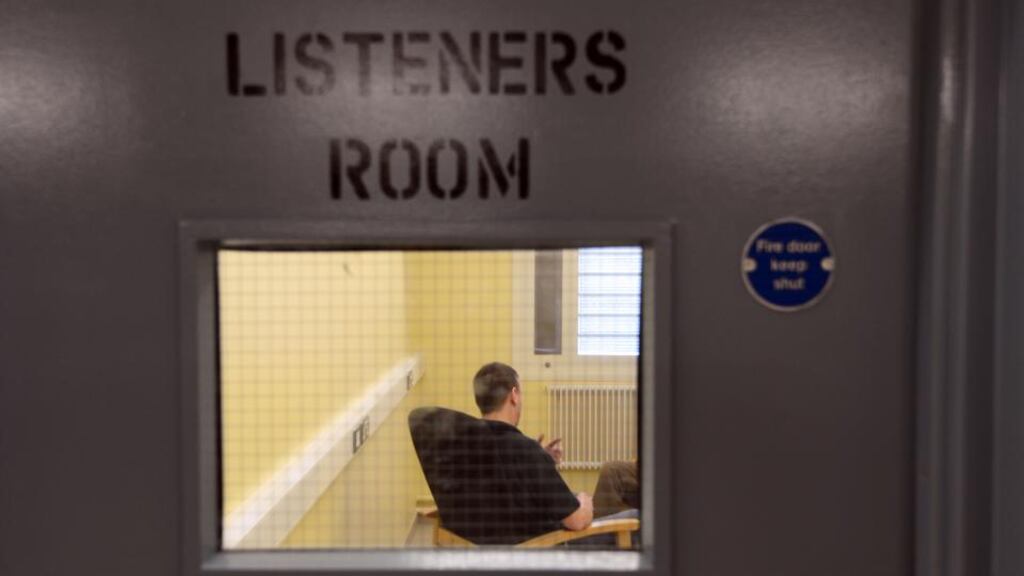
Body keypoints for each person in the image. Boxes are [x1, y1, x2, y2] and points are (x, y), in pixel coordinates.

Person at [470, 361, 639, 546]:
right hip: (549, 547)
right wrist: (584, 503)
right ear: (514, 395)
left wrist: (543, 460)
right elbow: (577, 521)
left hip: (499, 535)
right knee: (637, 518)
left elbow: (506, 478)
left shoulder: (467, 443)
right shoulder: (525, 449)